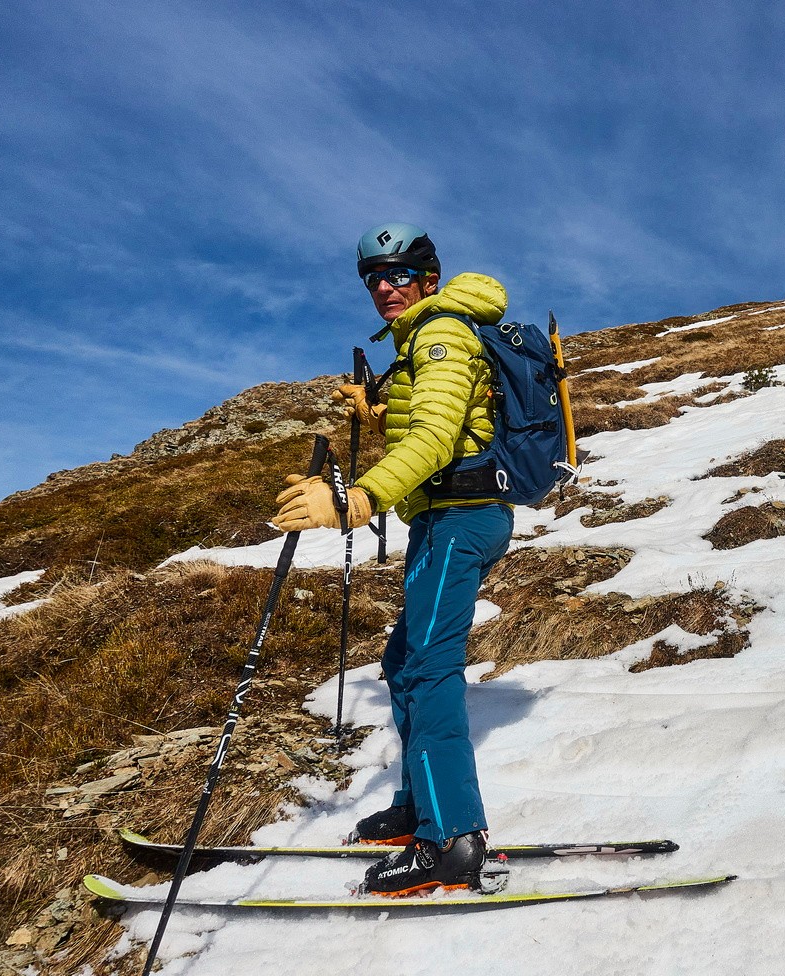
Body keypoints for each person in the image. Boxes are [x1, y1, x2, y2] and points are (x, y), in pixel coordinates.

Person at [272, 221, 513, 896]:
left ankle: (454, 840)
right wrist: (376, 408)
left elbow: (437, 437)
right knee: (404, 662)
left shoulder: (439, 334)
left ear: (428, 278)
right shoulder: (422, 337)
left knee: (430, 669)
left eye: (399, 274)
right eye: (374, 277)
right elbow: (443, 418)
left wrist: (360, 499)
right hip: (446, 519)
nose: (384, 286)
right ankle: (418, 807)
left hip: (459, 519)